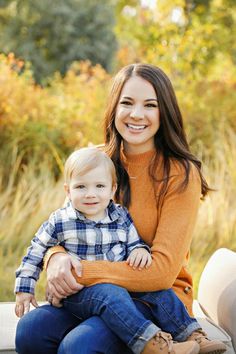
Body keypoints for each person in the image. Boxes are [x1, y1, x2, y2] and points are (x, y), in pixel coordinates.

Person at [15, 64, 226, 354]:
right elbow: (65, 226)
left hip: (155, 298)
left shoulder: (180, 172)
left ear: (164, 112)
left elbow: (162, 272)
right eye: (127, 103)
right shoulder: (96, 160)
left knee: (79, 347)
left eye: (149, 105)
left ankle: (171, 342)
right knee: (31, 331)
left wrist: (78, 271)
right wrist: (55, 258)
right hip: (92, 293)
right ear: (114, 108)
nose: (136, 114)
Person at [15, 146, 216, 354]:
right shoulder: (61, 219)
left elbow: (133, 243)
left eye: (99, 186)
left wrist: (140, 250)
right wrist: (26, 285)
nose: (90, 194)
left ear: (113, 190)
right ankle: (150, 344)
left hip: (125, 289)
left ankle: (191, 334)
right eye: (81, 187)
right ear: (68, 190)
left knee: (159, 292)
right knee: (32, 329)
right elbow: (37, 249)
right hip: (79, 295)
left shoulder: (120, 216)